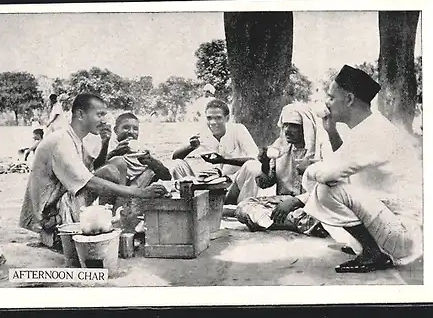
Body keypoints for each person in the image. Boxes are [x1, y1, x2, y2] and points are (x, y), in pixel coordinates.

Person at [298, 65, 423, 273]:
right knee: (330, 187)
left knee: (325, 190)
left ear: (348, 99)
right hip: (392, 227)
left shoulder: (373, 132)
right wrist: (330, 131)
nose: (327, 104)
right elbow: (342, 162)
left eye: (331, 97)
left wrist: (308, 171)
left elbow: (328, 173)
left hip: (402, 235)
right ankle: (371, 248)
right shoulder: (367, 128)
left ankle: (373, 253)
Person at [19, 93, 168, 248]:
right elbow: (90, 182)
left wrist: (105, 143)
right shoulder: (61, 141)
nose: (104, 120)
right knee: (111, 171)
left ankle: (117, 227)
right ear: (80, 114)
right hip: (51, 214)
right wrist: (140, 192)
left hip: (61, 202)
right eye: (99, 114)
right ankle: (65, 233)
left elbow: (92, 170)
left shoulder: (74, 138)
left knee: (116, 167)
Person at [234, 102, 331, 236]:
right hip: (283, 203)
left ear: (306, 127)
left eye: (294, 125)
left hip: (313, 203)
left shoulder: (321, 150)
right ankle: (299, 223)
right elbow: (264, 183)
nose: (287, 130)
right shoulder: (281, 148)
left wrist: (295, 201)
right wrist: (265, 164)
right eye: (285, 125)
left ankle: (274, 221)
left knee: (323, 215)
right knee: (243, 207)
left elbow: (327, 188)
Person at [171, 98, 259, 203]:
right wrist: (191, 147)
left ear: (227, 118)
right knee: (177, 164)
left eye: (218, 118)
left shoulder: (238, 130)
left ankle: (245, 205)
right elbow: (175, 157)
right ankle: (189, 205)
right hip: (207, 188)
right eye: (209, 118)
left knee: (254, 167)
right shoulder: (203, 133)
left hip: (232, 187)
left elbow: (254, 158)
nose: (213, 122)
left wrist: (224, 160)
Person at [99, 112, 172, 187]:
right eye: (126, 128)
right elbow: (97, 171)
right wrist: (114, 153)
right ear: (115, 130)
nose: (131, 132)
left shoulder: (142, 149)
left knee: (152, 169)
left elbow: (167, 177)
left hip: (136, 188)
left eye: (135, 129)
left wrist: (151, 162)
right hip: (113, 187)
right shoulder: (108, 145)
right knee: (118, 161)